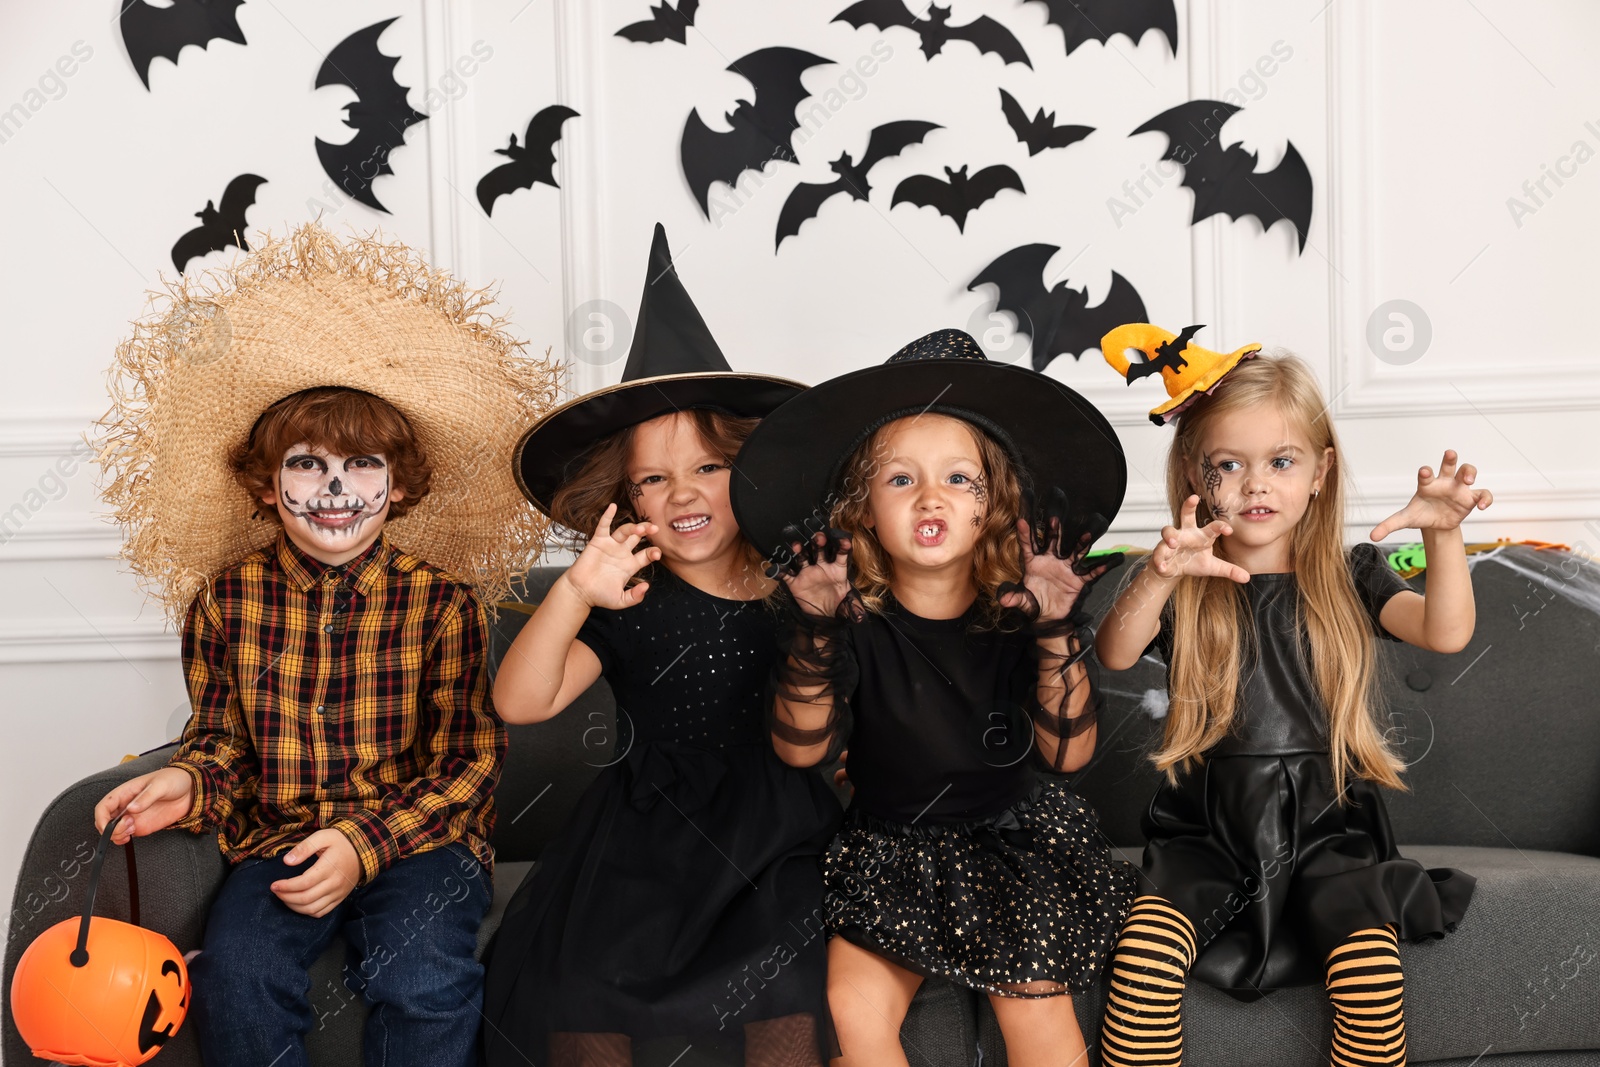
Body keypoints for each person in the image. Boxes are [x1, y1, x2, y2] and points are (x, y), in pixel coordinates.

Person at [91, 222, 557, 1067]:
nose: (335, 490)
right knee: (236, 972)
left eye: (362, 464)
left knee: (421, 977)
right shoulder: (227, 600)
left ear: (400, 483)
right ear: (265, 486)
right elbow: (224, 742)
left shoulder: (440, 602)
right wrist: (187, 783)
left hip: (420, 840)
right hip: (279, 837)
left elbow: (467, 765)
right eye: (307, 465)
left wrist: (363, 844)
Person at [481, 224, 844, 1067]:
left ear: (749, 471)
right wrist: (574, 591)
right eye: (653, 478)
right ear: (627, 494)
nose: (682, 494)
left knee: (785, 989)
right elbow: (519, 702)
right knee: (577, 985)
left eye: (709, 468)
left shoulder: (802, 585)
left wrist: (824, 614)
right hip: (642, 836)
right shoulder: (628, 595)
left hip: (778, 834)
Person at [729, 328, 1137, 1067]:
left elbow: (1068, 752)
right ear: (863, 509)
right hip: (890, 850)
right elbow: (801, 750)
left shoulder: (1022, 612)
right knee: (850, 1011)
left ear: (993, 505)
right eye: (899, 479)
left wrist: (1054, 628)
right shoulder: (848, 617)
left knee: (1039, 1020)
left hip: (1014, 844)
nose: (929, 497)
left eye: (959, 479)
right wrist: (816, 628)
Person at [1092, 324, 1486, 1067]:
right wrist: (1160, 573)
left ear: (1319, 472)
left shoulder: (1352, 575)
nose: (1255, 484)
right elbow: (1113, 650)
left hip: (1328, 832)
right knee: (1140, 969)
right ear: (1195, 479)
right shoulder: (1190, 579)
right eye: (1228, 465)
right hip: (1205, 834)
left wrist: (1444, 537)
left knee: (1370, 975)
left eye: (1280, 460)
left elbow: (1445, 630)